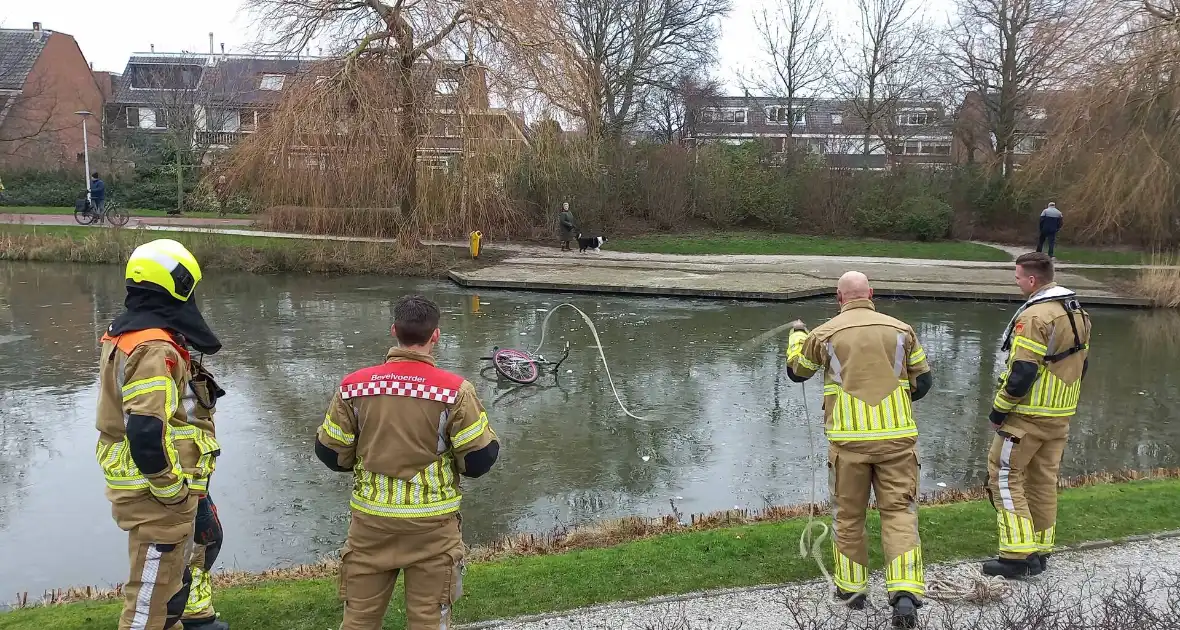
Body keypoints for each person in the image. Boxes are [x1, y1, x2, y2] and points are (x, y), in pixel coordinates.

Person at [315, 295, 501, 630]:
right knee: (429, 619)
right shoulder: (456, 392)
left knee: (358, 619)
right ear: (436, 336)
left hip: (370, 524)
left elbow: (330, 453)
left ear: (394, 331)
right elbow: (478, 461)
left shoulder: (353, 387)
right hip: (432, 527)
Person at [784, 271, 933, 629]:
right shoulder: (902, 330)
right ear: (871, 294)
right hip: (898, 440)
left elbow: (797, 371)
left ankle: (852, 591)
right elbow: (923, 381)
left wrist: (797, 336)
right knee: (899, 512)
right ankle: (905, 594)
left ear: (839, 298)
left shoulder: (824, 334)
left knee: (849, 516)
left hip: (848, 443)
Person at [96, 238, 225, 630]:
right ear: (178, 285)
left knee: (167, 595)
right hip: (157, 496)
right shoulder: (154, 348)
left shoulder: (128, 333)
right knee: (147, 606)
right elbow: (146, 432)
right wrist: (174, 492)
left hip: (147, 489)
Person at [983, 252, 1091, 579]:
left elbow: (1022, 372)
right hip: (1060, 414)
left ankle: (1016, 555)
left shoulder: (1035, 317)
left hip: (1028, 415)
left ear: (1032, 280)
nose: (1016, 283)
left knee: (1002, 475)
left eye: (1017, 277)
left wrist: (999, 409)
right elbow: (1081, 365)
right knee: (1043, 481)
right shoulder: (1078, 312)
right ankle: (1040, 552)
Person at [180, 356, 229, 630]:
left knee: (207, 539)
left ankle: (196, 613)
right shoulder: (155, 353)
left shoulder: (175, 353)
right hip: (181, 473)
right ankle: (192, 616)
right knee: (200, 540)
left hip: (194, 470)